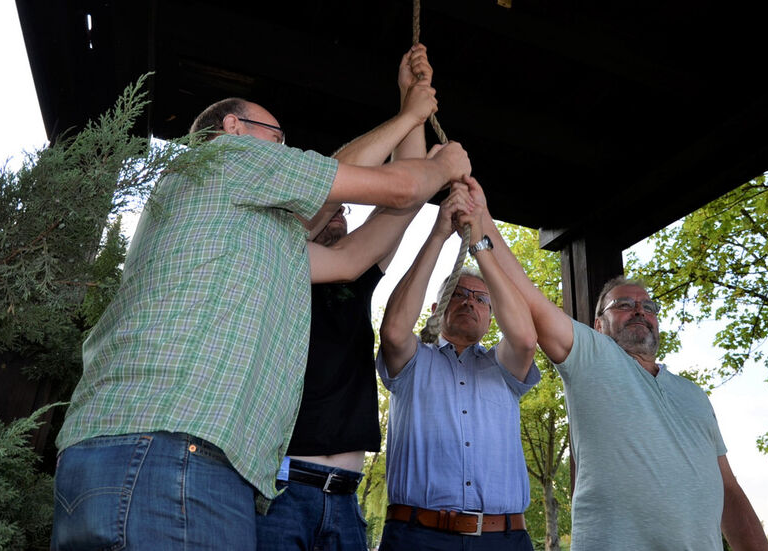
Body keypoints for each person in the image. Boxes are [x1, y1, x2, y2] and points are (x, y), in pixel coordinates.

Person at [50, 83, 471, 549]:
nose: (284, 153)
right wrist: (440, 163)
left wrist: (414, 128)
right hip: (174, 455)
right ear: (233, 127)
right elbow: (396, 185)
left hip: (140, 457)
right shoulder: (223, 157)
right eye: (278, 140)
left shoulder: (246, 230)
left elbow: (354, 256)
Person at [463, 177, 768, 550]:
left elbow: (729, 491)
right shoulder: (593, 357)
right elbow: (529, 298)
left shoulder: (694, 395)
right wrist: (482, 219)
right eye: (624, 305)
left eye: (648, 306)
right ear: (598, 325)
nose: (640, 310)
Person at [254, 44, 435, 550]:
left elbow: (406, 192)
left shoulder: (355, 273)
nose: (342, 215)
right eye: (332, 211)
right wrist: (408, 112)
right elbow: (324, 191)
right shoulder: (275, 259)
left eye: (347, 215)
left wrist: (411, 101)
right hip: (277, 492)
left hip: (347, 500)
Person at [375, 178, 539, 551]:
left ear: (492, 317)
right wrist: (439, 234)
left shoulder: (505, 367)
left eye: (482, 300)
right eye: (459, 294)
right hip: (416, 535)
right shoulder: (415, 361)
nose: (470, 303)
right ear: (436, 309)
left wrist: (479, 243)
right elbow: (395, 332)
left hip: (504, 539)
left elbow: (527, 339)